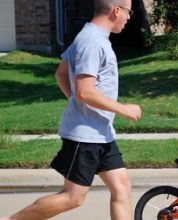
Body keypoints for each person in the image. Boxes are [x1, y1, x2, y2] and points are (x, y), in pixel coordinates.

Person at [0, 0, 140, 220]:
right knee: (73, 197)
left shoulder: (91, 37)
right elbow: (85, 92)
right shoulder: (92, 42)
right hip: (85, 135)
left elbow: (61, 74)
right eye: (128, 12)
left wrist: (77, 102)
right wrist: (123, 109)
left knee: (121, 187)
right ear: (116, 10)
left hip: (101, 132)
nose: (129, 17)